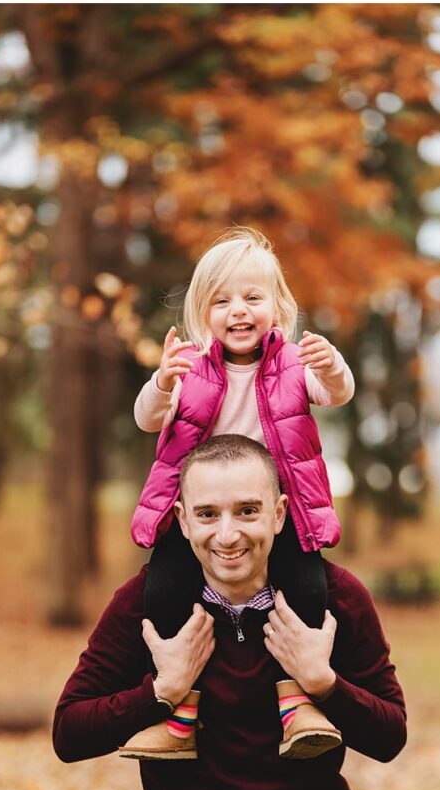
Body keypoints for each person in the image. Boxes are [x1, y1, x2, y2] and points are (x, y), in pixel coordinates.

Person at [53, 435, 407, 790]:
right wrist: (159, 692)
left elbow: (391, 734)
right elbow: (68, 732)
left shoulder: (335, 601)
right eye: (208, 514)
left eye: (247, 510)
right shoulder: (146, 605)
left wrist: (324, 685)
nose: (228, 534)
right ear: (182, 521)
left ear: (281, 512)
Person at [125, 226, 355, 761]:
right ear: (202, 314)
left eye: (253, 298)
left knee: (307, 591)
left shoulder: (295, 366)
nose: (239, 311)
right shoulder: (190, 370)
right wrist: (160, 383)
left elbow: (335, 394)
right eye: (222, 301)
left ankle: (297, 705)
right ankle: (181, 714)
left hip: (282, 513)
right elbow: (146, 419)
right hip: (205, 519)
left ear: (279, 307)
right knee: (161, 592)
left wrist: (332, 367)